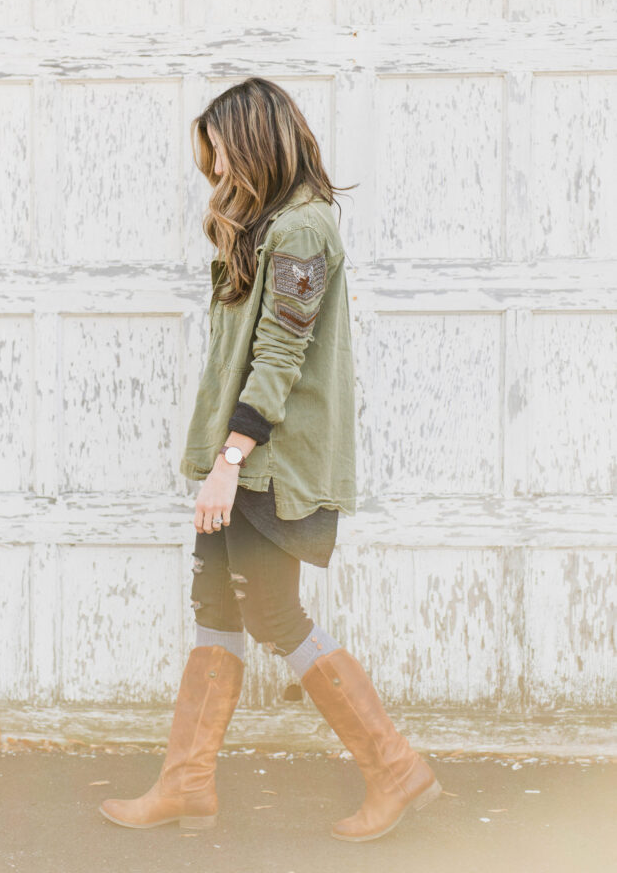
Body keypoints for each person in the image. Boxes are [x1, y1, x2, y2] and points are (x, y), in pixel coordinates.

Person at [99, 77, 442, 843]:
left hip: (271, 465)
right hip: (243, 459)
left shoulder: (305, 230)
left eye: (223, 157)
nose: (217, 173)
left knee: (274, 612)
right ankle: (186, 783)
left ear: (254, 147)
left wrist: (229, 458)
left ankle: (394, 767)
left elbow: (283, 351)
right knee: (217, 607)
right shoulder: (259, 231)